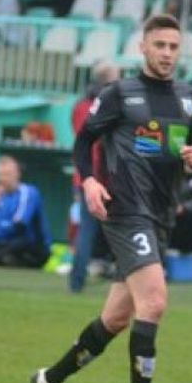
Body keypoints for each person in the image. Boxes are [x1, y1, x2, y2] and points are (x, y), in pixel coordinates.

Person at [29, 15, 192, 383]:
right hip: (126, 210)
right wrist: (90, 181)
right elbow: (82, 142)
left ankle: (50, 379)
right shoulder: (118, 94)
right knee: (155, 301)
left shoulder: (187, 97)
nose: (167, 53)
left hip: (161, 215)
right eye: (159, 45)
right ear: (142, 47)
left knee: (116, 318)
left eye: (173, 46)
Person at [69, 61, 122, 292]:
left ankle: (76, 281)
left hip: (83, 176)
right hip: (107, 174)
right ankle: (126, 278)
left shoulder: (81, 106)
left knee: (86, 231)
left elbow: (79, 138)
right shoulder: (113, 104)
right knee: (123, 228)